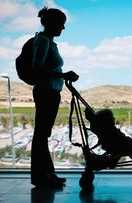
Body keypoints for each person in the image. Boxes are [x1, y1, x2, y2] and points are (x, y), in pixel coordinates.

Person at [31, 7, 79, 188]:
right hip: (46, 92)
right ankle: (42, 177)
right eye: (61, 24)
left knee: (43, 135)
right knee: (41, 135)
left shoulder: (48, 41)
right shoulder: (43, 41)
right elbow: (37, 67)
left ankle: (48, 174)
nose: (63, 28)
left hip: (49, 91)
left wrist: (62, 76)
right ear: (53, 24)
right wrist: (63, 74)